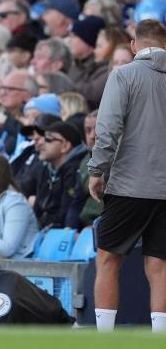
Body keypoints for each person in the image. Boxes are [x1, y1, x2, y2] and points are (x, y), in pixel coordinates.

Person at [88, 20, 166, 333]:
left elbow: (107, 129)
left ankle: (105, 336)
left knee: (108, 260)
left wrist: (97, 170)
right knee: (160, 265)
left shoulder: (124, 74)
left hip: (129, 185)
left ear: (134, 45)